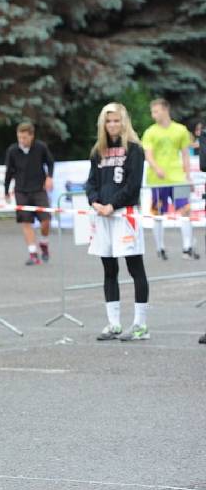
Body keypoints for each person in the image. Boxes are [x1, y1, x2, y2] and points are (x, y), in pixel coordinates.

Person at [85, 103, 150, 342]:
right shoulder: (98, 151)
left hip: (125, 215)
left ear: (124, 122)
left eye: (116, 120)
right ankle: (113, 324)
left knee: (135, 268)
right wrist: (95, 202)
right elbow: (90, 182)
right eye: (108, 121)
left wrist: (113, 205)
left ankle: (141, 325)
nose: (112, 125)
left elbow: (133, 186)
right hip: (102, 216)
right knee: (109, 270)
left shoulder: (134, 149)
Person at [142, 98, 198, 260]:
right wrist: (157, 168)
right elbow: (149, 155)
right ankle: (160, 248)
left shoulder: (180, 130)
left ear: (166, 110)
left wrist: (188, 177)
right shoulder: (150, 132)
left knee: (185, 211)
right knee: (158, 213)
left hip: (177, 178)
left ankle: (187, 247)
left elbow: (186, 155)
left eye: (156, 111)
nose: (154, 115)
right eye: (152, 112)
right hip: (157, 180)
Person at [4, 122, 54, 265]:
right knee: (26, 222)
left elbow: (50, 162)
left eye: (25, 138)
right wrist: (6, 190)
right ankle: (33, 253)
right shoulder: (12, 151)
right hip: (21, 191)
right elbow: (9, 172)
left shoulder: (40, 147)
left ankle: (44, 243)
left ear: (31, 136)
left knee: (46, 220)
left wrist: (49, 177)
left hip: (39, 189)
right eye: (19, 138)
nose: (22, 141)